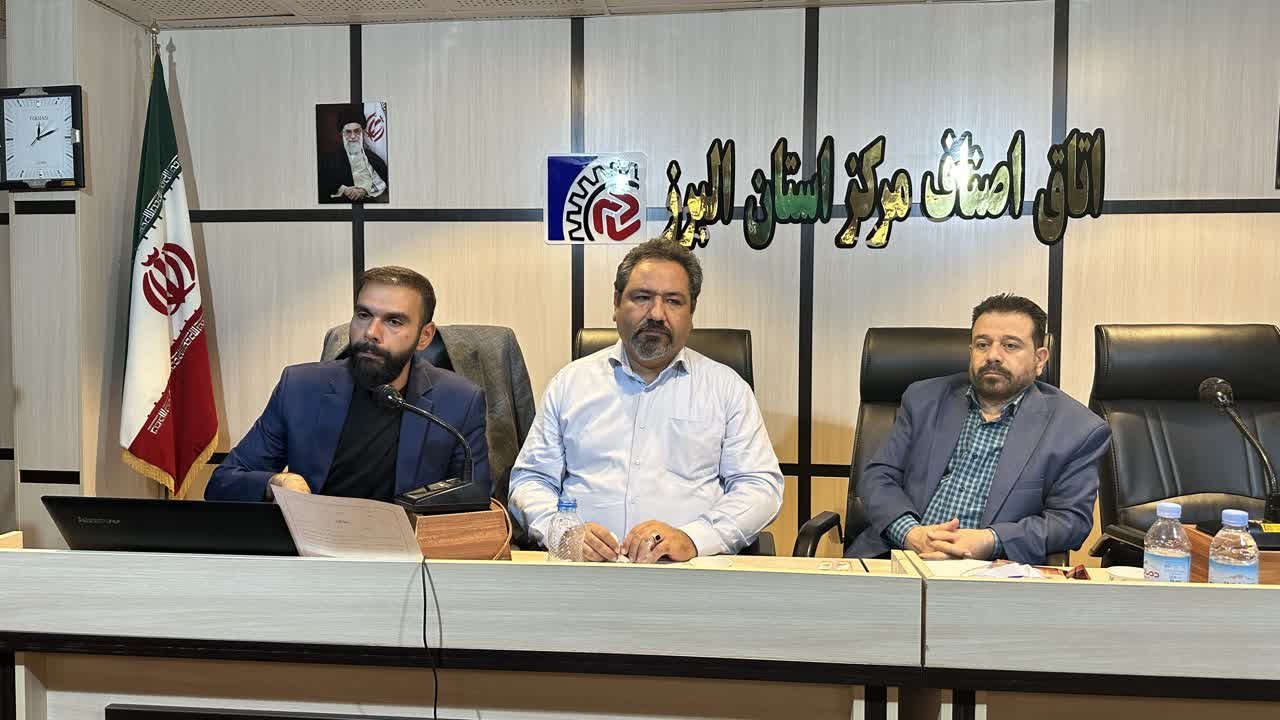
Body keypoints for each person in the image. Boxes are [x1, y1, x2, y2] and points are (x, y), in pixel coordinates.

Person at [509, 238, 783, 563]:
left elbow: (759, 487)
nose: (656, 314)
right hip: (582, 571)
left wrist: (694, 538)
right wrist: (564, 534)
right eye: (642, 297)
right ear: (616, 303)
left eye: (673, 301)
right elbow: (531, 480)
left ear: (691, 313)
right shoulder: (570, 383)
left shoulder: (726, 389)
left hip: (688, 571)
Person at [846, 294, 1111, 565]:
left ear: (1039, 359)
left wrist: (991, 540)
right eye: (983, 344)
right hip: (897, 557)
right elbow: (878, 476)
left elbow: (1070, 521)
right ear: (971, 350)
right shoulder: (924, 398)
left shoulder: (1078, 429)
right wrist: (910, 533)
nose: (993, 356)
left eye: (1010, 345)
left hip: (993, 572)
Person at [206, 266, 490, 502]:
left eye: (394, 321)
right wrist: (275, 482)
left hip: (408, 548)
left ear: (425, 336)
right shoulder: (300, 388)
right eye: (364, 315)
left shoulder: (458, 402)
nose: (371, 333)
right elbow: (223, 482)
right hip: (315, 546)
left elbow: (473, 505)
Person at [317, 106, 388, 204]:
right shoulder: (328, 161)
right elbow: (322, 186)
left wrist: (365, 190)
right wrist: (343, 190)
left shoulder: (374, 160)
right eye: (348, 132)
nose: (353, 136)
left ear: (363, 132)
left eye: (357, 131)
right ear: (341, 133)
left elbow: (384, 184)